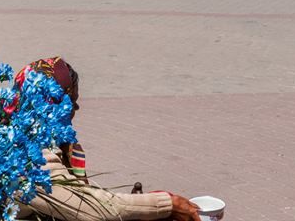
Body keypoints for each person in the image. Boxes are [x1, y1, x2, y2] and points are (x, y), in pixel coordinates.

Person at [13, 57, 200, 221]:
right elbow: (87, 208)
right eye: (71, 102)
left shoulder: (5, 128)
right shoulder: (24, 153)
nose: (74, 111)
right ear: (51, 103)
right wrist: (166, 204)